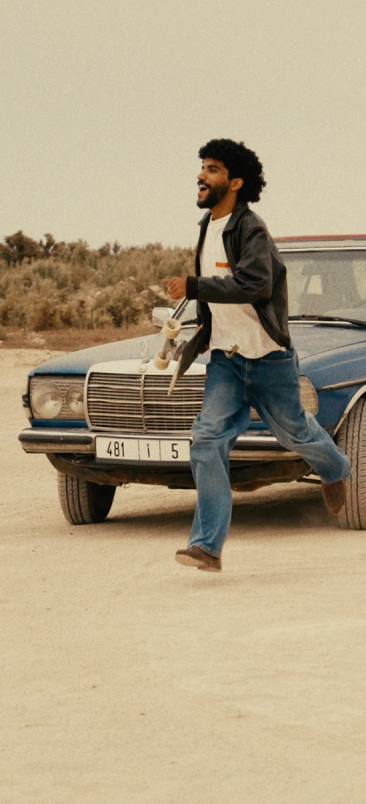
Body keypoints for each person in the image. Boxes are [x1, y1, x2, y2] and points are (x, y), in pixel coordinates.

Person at [163, 139, 350, 571]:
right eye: (202, 167)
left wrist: (193, 286)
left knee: (295, 434)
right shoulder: (208, 226)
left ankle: (336, 468)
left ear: (235, 182)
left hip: (267, 359)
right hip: (225, 360)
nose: (201, 175)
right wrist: (200, 328)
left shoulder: (251, 229)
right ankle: (207, 547)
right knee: (207, 441)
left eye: (212, 169)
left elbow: (256, 284)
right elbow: (218, 295)